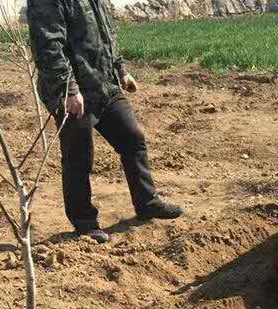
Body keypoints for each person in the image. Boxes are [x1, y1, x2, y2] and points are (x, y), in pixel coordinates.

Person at [27, 0, 182, 243]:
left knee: (133, 139)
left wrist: (120, 70)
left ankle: (147, 203)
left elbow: (106, 34)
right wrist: (67, 89)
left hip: (104, 86)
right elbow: (48, 45)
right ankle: (85, 223)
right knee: (79, 157)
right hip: (73, 92)